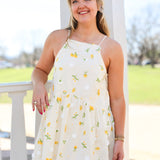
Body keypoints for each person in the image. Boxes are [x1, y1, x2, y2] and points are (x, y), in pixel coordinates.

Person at [31, 0, 126, 160]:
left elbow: (117, 99)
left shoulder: (112, 48)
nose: (81, 5)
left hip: (94, 132)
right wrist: (39, 84)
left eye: (87, 0)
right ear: (71, 7)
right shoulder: (57, 38)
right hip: (58, 128)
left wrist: (120, 140)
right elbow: (40, 70)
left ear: (98, 4)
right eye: (75, 1)